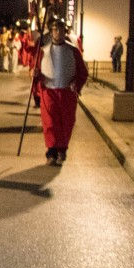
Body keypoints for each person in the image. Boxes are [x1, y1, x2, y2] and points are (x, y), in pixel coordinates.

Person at [34, 19, 88, 166]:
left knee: (66, 122)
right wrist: (35, 75)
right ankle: (51, 152)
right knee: (50, 122)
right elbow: (35, 70)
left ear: (65, 32)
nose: (58, 33)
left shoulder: (73, 51)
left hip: (67, 92)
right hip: (49, 92)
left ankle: (62, 150)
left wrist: (76, 84)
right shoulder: (43, 51)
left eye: (61, 30)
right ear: (51, 32)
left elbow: (83, 73)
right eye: (55, 30)